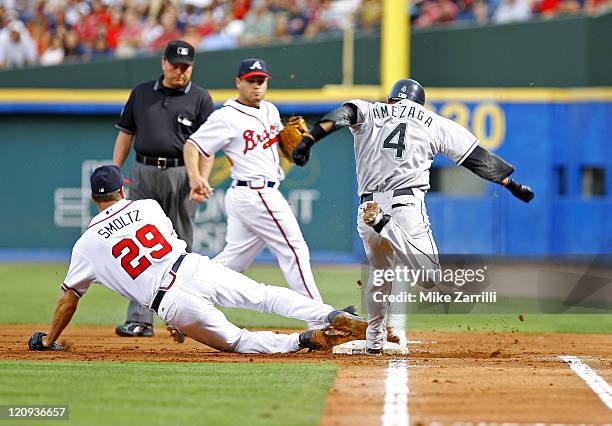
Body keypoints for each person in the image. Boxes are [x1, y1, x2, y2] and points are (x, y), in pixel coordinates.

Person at [291, 78, 534, 354]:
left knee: (380, 274)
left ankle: (374, 342)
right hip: (405, 207)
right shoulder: (433, 122)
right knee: (428, 277)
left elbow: (339, 117)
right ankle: (386, 225)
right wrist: (512, 185)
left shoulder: (370, 110)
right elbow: (475, 158)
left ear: (391, 99)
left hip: (367, 206)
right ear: (418, 102)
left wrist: (309, 139)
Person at [27, 165, 368, 354]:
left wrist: (50, 339)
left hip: (169, 301)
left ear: (92, 198)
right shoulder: (146, 207)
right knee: (264, 294)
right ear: (122, 191)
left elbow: (68, 299)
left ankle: (304, 340)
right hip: (192, 266)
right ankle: (328, 314)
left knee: (237, 340)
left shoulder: (86, 245)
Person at [184, 58, 326, 329]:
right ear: (238, 82)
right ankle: (320, 320)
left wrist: (293, 150)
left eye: (261, 81)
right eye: (251, 81)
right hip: (256, 192)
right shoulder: (226, 117)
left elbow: (275, 151)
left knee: (231, 263)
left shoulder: (271, 111)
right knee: (295, 251)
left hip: (252, 193)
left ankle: (187, 298)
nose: (257, 86)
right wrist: (195, 177)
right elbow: (193, 145)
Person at [112, 40, 214, 338]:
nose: (180, 71)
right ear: (163, 63)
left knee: (181, 246)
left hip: (183, 175)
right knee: (142, 245)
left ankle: (183, 320)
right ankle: (140, 320)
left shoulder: (200, 98)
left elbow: (208, 148)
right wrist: (115, 171)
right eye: (175, 65)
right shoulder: (142, 92)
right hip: (143, 171)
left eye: (186, 66)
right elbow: (126, 134)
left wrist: (200, 179)